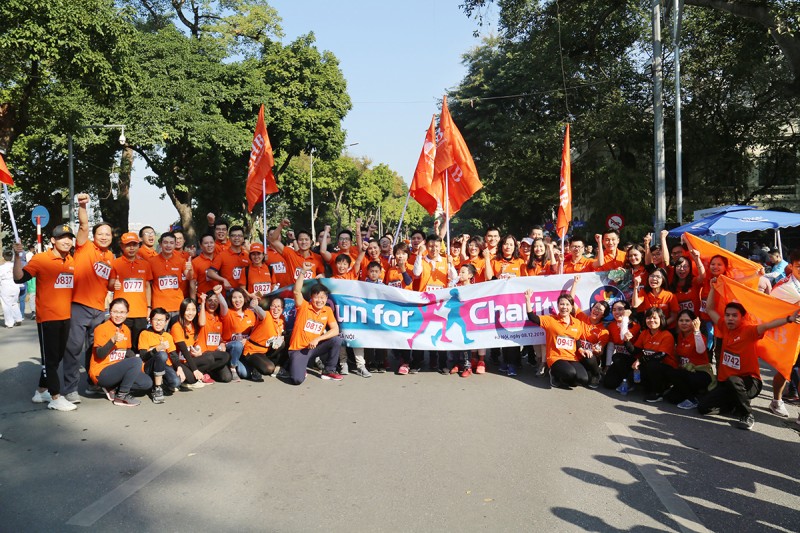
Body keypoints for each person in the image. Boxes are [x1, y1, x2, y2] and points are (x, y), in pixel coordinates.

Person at [697, 281, 800, 430]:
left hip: (750, 383)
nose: (730, 318)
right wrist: (713, 288)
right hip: (728, 383)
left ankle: (747, 414)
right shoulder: (723, 327)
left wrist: (788, 319)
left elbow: (768, 325)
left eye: (734, 315)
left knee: (734, 380)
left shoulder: (749, 331)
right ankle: (734, 403)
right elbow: (710, 308)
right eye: (727, 315)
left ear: (742, 317)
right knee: (703, 408)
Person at [14, 225, 77, 411]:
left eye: (69, 237)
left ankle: (41, 391)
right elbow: (19, 278)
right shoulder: (41, 259)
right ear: (52, 240)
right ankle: (56, 397)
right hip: (48, 318)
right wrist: (17, 256)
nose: (66, 241)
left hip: (66, 316)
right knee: (50, 359)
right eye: (62, 237)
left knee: (56, 357)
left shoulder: (71, 260)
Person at [63, 193, 115, 402]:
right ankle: (70, 388)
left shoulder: (111, 257)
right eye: (101, 233)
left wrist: (115, 286)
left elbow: (108, 283)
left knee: (95, 349)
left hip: (99, 310)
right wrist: (83, 206)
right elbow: (83, 226)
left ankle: (93, 382)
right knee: (74, 348)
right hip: (79, 306)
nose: (104, 237)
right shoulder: (85, 246)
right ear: (94, 236)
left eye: (108, 234)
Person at [284, 263, 343, 385]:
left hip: (314, 347)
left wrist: (318, 339)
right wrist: (303, 271)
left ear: (326, 299)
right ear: (311, 297)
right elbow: (296, 291)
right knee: (297, 380)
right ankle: (297, 365)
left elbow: (335, 330)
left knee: (336, 339)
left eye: (323, 298)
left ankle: (328, 370)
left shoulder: (327, 310)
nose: (320, 300)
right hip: (299, 350)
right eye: (317, 297)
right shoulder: (304, 306)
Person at [89, 298, 152, 407]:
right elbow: (100, 354)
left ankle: (114, 388)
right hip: (102, 373)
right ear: (110, 312)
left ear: (127, 313)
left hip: (118, 370)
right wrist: (112, 340)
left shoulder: (126, 329)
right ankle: (121, 396)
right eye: (115, 312)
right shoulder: (101, 328)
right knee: (135, 361)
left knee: (147, 383)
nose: (118, 315)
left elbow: (127, 351)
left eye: (122, 312)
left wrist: (142, 366)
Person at [524, 290, 591, 388]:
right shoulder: (551, 320)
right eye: (562, 304)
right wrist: (527, 299)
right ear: (558, 306)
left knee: (583, 379)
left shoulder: (577, 323)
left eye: (567, 304)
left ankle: (566, 377)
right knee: (570, 373)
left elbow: (576, 339)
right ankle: (553, 374)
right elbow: (532, 317)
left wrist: (581, 348)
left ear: (572, 307)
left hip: (571, 357)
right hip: (555, 358)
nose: (564, 307)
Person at [767, 248, 800, 421]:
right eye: (799, 266)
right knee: (784, 370)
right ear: (792, 266)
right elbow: (771, 309)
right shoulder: (784, 286)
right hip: (788, 334)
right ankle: (776, 401)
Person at [108, 232, 153, 351]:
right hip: (122, 313)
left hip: (141, 312)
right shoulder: (115, 263)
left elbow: (147, 286)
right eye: (128, 245)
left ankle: (139, 368)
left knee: (140, 345)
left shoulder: (145, 264)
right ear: (122, 246)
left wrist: (149, 307)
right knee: (122, 344)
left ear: (139, 246)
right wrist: (114, 285)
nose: (132, 248)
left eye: (134, 244)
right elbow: (110, 285)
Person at [625, 307, 676, 402]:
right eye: (648, 318)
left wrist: (640, 360)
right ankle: (641, 385)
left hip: (665, 368)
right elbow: (635, 351)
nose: (651, 320)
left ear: (661, 319)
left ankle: (659, 392)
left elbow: (660, 356)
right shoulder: (644, 333)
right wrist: (627, 341)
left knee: (653, 365)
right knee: (619, 358)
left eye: (654, 318)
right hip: (648, 365)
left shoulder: (667, 335)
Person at [666, 310, 715, 409]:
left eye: (687, 321)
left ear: (693, 322)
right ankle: (696, 393)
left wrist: (697, 330)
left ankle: (692, 399)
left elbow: (701, 350)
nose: (684, 323)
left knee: (675, 373)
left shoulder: (699, 336)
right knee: (671, 398)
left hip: (701, 374)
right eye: (681, 320)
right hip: (686, 373)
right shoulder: (680, 336)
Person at [138, 307, 183, 403]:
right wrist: (157, 349)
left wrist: (179, 367)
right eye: (155, 319)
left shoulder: (167, 336)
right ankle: (157, 388)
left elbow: (173, 354)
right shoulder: (144, 334)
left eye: (161, 320)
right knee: (162, 354)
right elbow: (143, 356)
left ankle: (162, 382)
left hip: (164, 365)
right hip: (148, 366)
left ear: (166, 322)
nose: (158, 323)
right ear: (150, 320)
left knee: (176, 382)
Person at [147, 231, 192, 316]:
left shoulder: (181, 261)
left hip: (177, 306)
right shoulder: (151, 262)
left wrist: (190, 269)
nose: (168, 245)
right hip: (159, 307)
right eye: (165, 242)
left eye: (171, 243)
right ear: (160, 244)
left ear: (175, 245)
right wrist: (149, 306)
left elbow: (189, 277)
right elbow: (147, 285)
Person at [243, 294, 287, 377]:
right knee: (269, 368)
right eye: (273, 306)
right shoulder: (265, 315)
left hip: (266, 350)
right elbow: (260, 311)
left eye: (278, 307)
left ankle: (269, 366)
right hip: (253, 350)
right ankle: (256, 367)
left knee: (283, 343)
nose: (275, 309)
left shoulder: (282, 319)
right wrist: (255, 306)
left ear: (282, 309)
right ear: (269, 307)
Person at [219, 287, 256, 380]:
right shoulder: (227, 312)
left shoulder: (250, 313)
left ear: (244, 298)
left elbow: (255, 332)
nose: (237, 300)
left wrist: (246, 339)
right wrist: (218, 294)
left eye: (240, 297)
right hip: (230, 346)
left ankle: (233, 363)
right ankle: (232, 368)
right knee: (237, 345)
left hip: (244, 349)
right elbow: (223, 304)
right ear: (231, 300)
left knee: (245, 374)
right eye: (234, 298)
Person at [207, 225, 249, 290]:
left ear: (243, 238)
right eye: (233, 236)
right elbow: (210, 272)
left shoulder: (248, 256)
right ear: (229, 238)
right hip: (228, 293)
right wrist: (223, 280)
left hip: (244, 294)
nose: (236, 238)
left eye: (239, 236)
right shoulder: (222, 255)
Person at [0, 249, 23, 328]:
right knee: (14, 303)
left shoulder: (2, 268)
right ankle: (18, 318)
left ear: (3, 257)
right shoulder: (15, 266)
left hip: (6, 286)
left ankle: (9, 322)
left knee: (6, 305)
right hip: (16, 286)